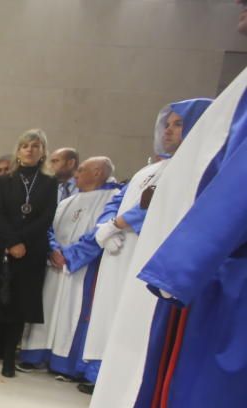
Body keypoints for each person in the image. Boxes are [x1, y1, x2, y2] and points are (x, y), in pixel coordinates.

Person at [80, 10, 247, 408]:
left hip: (223, 272)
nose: (239, 23)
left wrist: (181, 266)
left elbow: (233, 187)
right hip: (208, 270)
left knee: (214, 388)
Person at [77, 98, 212, 392]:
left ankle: (125, 383)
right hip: (119, 255)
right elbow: (118, 199)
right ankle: (103, 375)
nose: (168, 130)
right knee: (110, 315)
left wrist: (117, 225)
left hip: (144, 255)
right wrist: (107, 227)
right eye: (168, 123)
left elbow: (154, 207)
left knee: (135, 319)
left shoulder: (193, 170)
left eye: (178, 124)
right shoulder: (151, 169)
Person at [19, 157, 119, 379]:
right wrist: (53, 250)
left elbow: (102, 231)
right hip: (56, 265)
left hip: (83, 269)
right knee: (49, 307)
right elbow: (49, 227)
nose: (76, 174)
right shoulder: (67, 201)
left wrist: (72, 256)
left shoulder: (113, 199)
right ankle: (38, 355)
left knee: (73, 314)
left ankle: (66, 364)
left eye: (82, 170)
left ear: (97, 173)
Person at [0, 129, 57, 377]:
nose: (29, 150)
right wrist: (12, 242)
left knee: (19, 305)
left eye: (35, 146)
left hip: (31, 250)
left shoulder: (50, 183)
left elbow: (46, 217)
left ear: (43, 151)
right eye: (25, 146)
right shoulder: (6, 180)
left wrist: (23, 242)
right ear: (18, 151)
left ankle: (10, 358)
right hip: (2, 249)